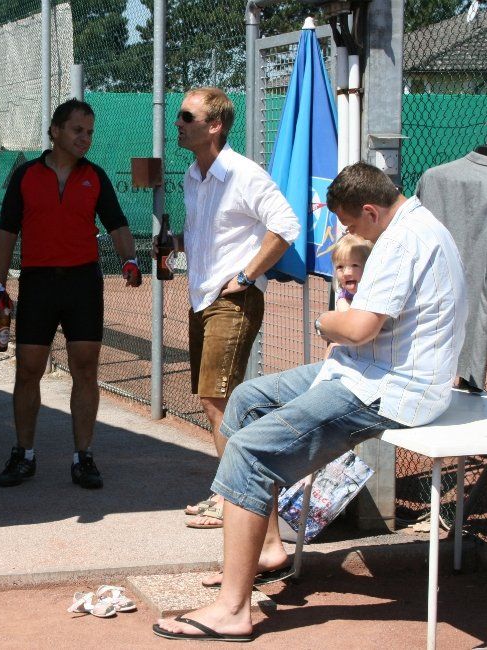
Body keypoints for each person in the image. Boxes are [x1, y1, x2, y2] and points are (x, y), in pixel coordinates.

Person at [153, 162, 467, 641]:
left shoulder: (401, 240)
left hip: (390, 387)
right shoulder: (418, 223)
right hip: (371, 369)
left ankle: (232, 610)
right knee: (248, 400)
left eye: (349, 223)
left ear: (369, 209)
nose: (348, 234)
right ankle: (266, 550)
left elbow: (359, 328)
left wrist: (324, 322)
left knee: (250, 451)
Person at [0, 98, 142, 490]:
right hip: (38, 282)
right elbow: (6, 233)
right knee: (28, 369)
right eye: (77, 130)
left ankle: (83, 457)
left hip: (83, 283)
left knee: (85, 368)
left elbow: (117, 224)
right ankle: (23, 454)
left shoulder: (96, 176)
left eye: (90, 132)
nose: (85, 138)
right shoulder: (25, 176)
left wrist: (130, 260)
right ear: (55, 131)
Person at [169, 87, 300, 528]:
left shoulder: (244, 174)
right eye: (179, 116)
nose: (179, 123)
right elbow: (209, 235)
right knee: (216, 401)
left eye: (188, 116)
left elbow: (286, 226)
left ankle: (236, 500)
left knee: (218, 399)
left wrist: (245, 276)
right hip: (201, 297)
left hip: (234, 301)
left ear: (215, 125)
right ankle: (233, 493)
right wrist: (174, 245)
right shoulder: (193, 175)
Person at [332, 233, 372, 312]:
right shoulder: (344, 299)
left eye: (354, 265)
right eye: (340, 267)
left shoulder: (378, 291)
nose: (346, 273)